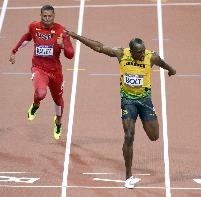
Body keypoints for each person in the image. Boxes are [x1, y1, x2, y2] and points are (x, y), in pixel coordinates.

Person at [65, 30, 176, 188]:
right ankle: (128, 176)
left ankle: (144, 123)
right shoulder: (122, 54)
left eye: (143, 50)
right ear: (131, 51)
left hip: (144, 101)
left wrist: (171, 70)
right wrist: (76, 37)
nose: (142, 54)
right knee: (129, 135)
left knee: (154, 136)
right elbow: (99, 47)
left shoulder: (151, 56)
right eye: (139, 52)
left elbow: (163, 63)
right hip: (128, 101)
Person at [9, 5, 74, 140]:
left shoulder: (61, 31)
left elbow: (70, 54)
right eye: (44, 16)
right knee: (41, 93)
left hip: (55, 72)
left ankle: (58, 122)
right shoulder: (34, 27)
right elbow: (27, 37)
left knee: (58, 101)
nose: (47, 19)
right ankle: (36, 104)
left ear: (54, 16)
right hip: (39, 68)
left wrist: (63, 45)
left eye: (50, 16)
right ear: (40, 15)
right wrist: (14, 51)